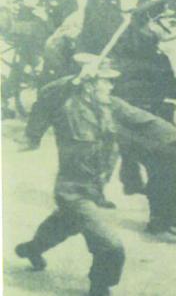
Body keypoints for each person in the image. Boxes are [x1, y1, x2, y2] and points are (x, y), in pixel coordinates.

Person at [15, 57, 126, 296]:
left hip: (95, 189)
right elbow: (47, 96)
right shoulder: (66, 107)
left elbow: (135, 118)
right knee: (111, 246)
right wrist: (72, 79)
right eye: (105, 82)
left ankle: (31, 249)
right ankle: (100, 286)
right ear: (88, 84)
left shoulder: (107, 107)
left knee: (64, 224)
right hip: (72, 190)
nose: (110, 87)